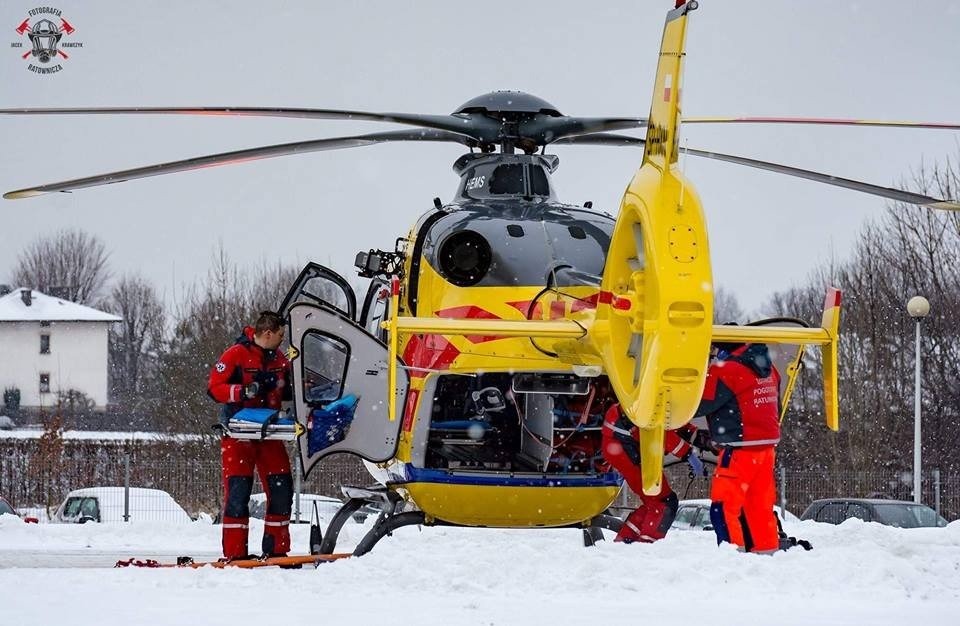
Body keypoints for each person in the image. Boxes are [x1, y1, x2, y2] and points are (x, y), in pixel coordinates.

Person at [208, 310, 293, 561]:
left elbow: (288, 387)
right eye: (280, 335)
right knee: (238, 493)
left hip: (269, 435)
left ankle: (277, 549)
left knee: (282, 490)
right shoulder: (235, 354)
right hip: (239, 436)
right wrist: (244, 391)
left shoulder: (279, 358)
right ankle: (235, 554)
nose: (282, 340)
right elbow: (214, 387)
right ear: (267, 333)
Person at [695, 340, 782, 553]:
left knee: (722, 509)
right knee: (760, 509)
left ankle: (734, 561)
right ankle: (767, 555)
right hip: (766, 450)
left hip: (739, 450)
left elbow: (697, 405)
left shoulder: (726, 370)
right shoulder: (770, 368)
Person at [601, 404, 700, 543]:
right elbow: (656, 429)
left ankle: (626, 540)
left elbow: (669, 423)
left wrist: (696, 435)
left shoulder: (661, 399)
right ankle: (647, 545)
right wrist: (687, 452)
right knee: (664, 502)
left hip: (621, 446)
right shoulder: (657, 401)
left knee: (654, 502)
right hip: (624, 448)